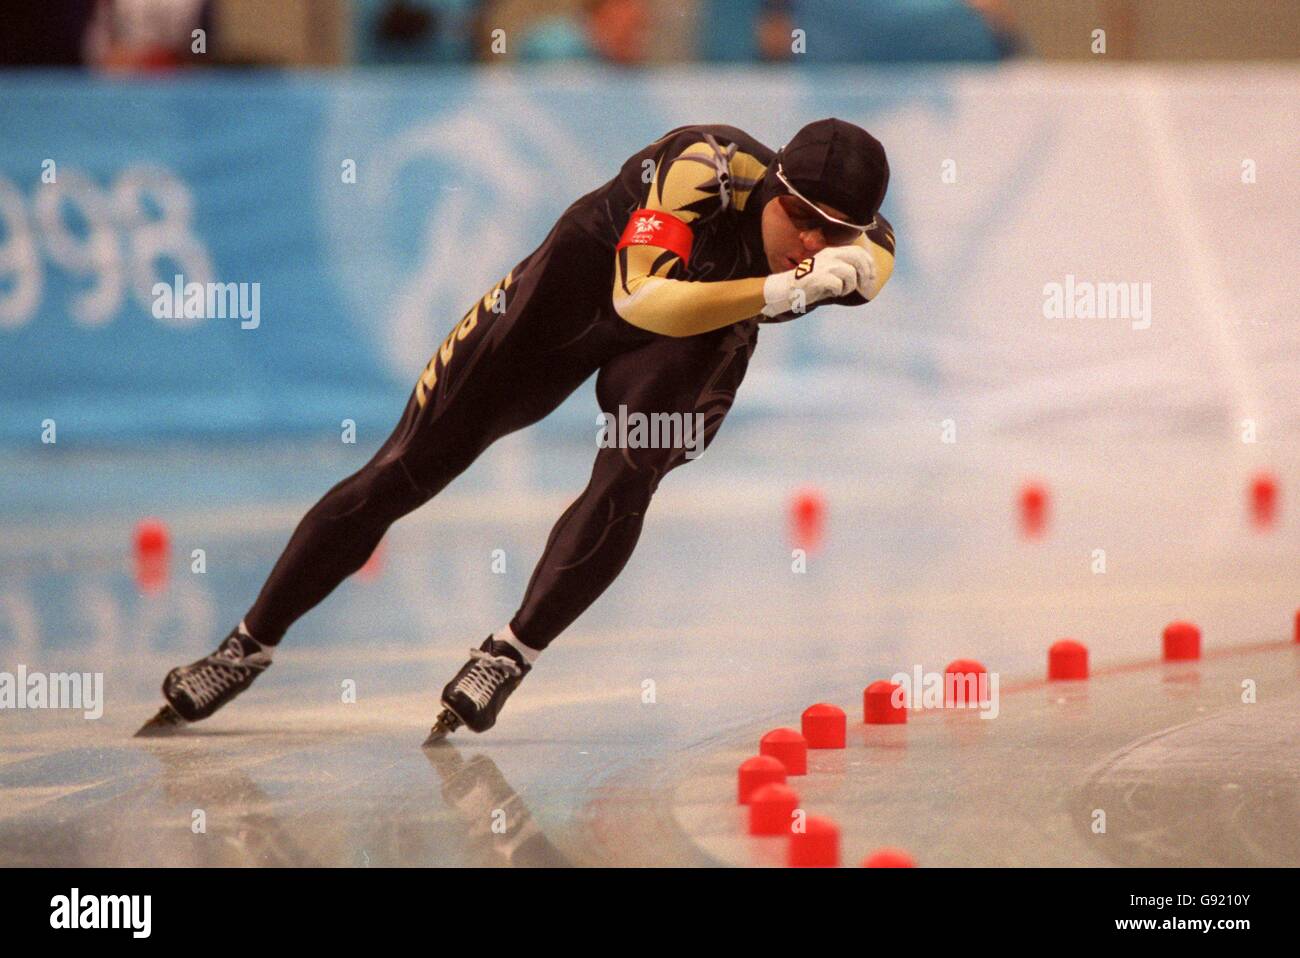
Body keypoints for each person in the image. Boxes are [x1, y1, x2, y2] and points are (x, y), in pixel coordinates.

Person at [136, 118, 897, 742]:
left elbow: (881, 257)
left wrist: (835, 269)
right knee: (406, 467)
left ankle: (511, 651)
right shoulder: (704, 165)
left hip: (690, 338)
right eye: (800, 217)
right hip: (570, 306)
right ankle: (247, 645)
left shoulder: (847, 248)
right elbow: (640, 302)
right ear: (773, 187)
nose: (810, 244)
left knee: (634, 468)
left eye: (835, 234)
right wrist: (776, 290)